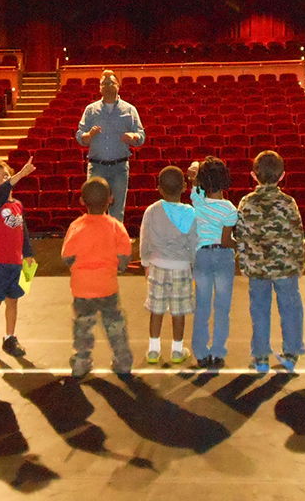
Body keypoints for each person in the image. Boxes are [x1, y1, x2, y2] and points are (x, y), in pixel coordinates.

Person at [234, 151, 305, 373]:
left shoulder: (246, 202)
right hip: (285, 267)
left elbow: (241, 236)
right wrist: (298, 262)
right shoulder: (288, 202)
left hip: (258, 269)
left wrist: (245, 263)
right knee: (291, 308)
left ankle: (261, 356)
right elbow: (296, 234)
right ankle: (291, 353)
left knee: (260, 311)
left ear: (253, 175)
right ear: (282, 175)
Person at [62, 177, 134, 378]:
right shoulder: (115, 226)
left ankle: (81, 360)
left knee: (83, 324)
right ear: (110, 199)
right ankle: (123, 359)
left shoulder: (76, 226)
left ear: (82, 201)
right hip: (107, 286)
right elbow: (124, 257)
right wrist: (118, 267)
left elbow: (67, 256)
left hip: (82, 288)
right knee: (114, 323)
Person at [0, 158, 36, 360]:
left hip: (16, 263)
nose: (2, 181)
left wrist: (28, 254)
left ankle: (10, 338)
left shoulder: (18, 205)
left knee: (13, 301)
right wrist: (18, 176)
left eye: (4, 176)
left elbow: (23, 231)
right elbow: (1, 193)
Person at [139, 166, 197, 364]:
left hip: (157, 266)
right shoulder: (190, 212)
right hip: (181, 268)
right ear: (184, 187)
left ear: (159, 189)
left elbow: (144, 239)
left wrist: (145, 262)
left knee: (156, 309)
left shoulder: (152, 211)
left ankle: (154, 349)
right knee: (178, 311)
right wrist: (193, 265)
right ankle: (177, 350)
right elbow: (193, 242)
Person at [187, 156, 238, 370]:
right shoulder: (229, 209)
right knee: (222, 306)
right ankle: (217, 351)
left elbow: (194, 178)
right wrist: (238, 246)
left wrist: (196, 176)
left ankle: (200, 351)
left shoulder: (197, 201)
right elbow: (227, 240)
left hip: (201, 256)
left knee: (202, 305)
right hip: (223, 257)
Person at [75, 69, 145, 222]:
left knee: (117, 209)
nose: (107, 86)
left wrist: (133, 137)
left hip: (119, 168)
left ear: (118, 86)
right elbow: (80, 136)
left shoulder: (130, 109)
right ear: (99, 88)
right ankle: (97, 243)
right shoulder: (90, 110)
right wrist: (88, 136)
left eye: (110, 83)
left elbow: (141, 136)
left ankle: (115, 242)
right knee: (94, 208)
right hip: (96, 167)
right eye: (103, 83)